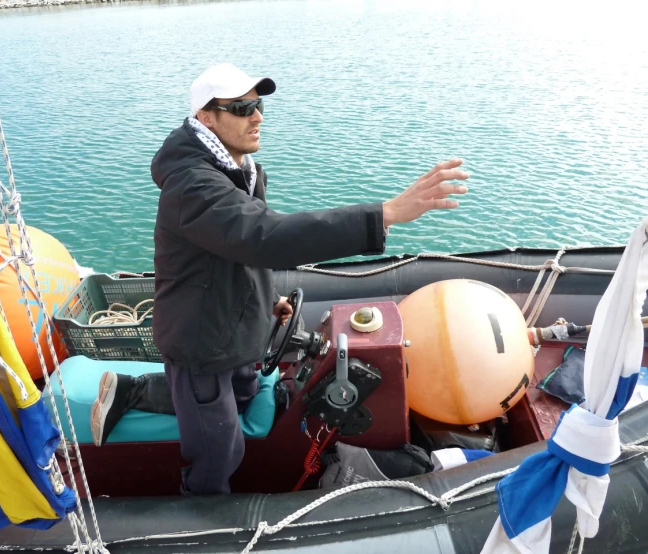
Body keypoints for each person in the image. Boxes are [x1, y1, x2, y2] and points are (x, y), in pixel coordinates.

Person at [90, 63, 469, 495]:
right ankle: (200, 510)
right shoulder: (192, 185)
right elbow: (264, 236)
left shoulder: (239, 169)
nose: (257, 116)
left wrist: (269, 299)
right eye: (242, 107)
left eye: (259, 104)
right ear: (206, 118)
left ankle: (131, 391)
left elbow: (242, 249)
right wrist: (384, 215)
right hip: (202, 341)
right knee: (218, 455)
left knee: (247, 397)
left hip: (233, 324)